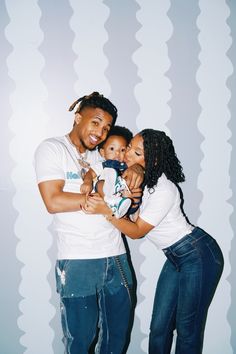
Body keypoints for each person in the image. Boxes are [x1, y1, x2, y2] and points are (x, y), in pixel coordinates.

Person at [84, 128, 224, 354]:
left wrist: (106, 211)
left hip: (198, 254)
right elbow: (106, 184)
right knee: (159, 327)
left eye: (137, 153)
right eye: (130, 148)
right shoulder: (135, 180)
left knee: (187, 329)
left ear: (154, 159)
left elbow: (136, 231)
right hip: (175, 258)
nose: (127, 154)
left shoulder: (164, 189)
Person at [34, 92, 144, 354]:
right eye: (95, 122)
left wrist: (137, 168)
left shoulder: (102, 156)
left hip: (117, 258)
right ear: (78, 117)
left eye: (106, 127)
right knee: (80, 342)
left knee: (116, 341)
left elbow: (131, 167)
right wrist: (98, 203)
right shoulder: (52, 149)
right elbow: (53, 201)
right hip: (78, 261)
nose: (100, 132)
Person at [81, 125, 135, 218]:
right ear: (102, 152)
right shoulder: (104, 164)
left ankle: (119, 204)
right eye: (112, 149)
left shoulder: (126, 167)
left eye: (122, 150)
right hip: (104, 190)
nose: (117, 153)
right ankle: (113, 202)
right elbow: (90, 173)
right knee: (101, 182)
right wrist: (87, 182)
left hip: (122, 196)